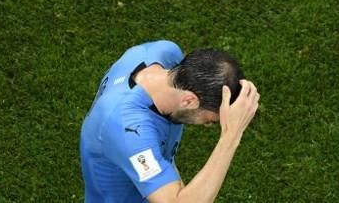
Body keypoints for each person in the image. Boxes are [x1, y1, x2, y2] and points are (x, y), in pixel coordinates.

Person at [80, 40, 260, 202]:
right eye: (211, 120)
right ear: (189, 101)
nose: (207, 125)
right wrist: (231, 135)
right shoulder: (129, 130)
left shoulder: (165, 53)